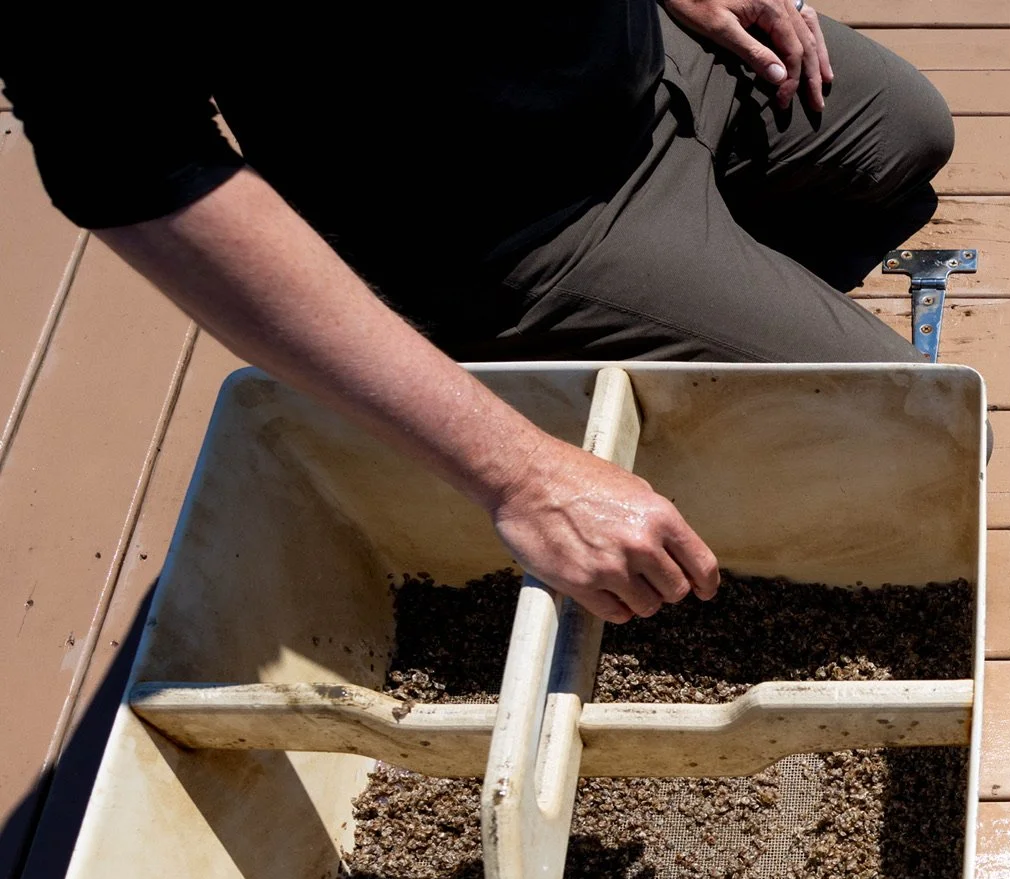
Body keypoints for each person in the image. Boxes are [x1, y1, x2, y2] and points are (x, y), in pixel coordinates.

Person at [0, 1, 954, 623]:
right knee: (919, 435)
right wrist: (519, 473)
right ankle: (552, 345)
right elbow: (135, 168)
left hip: (641, 66)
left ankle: (707, 291)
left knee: (910, 135)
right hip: (514, 225)